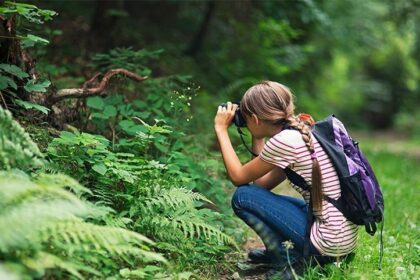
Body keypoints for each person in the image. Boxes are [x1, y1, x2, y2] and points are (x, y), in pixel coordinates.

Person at [214, 81, 358, 279]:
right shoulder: (300, 131)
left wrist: (221, 130)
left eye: (247, 120)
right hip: (342, 240)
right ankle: (282, 253)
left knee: (242, 197)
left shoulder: (284, 142)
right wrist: (258, 135)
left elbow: (239, 178)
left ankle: (286, 263)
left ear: (255, 119)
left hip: (329, 242)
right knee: (257, 196)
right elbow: (262, 184)